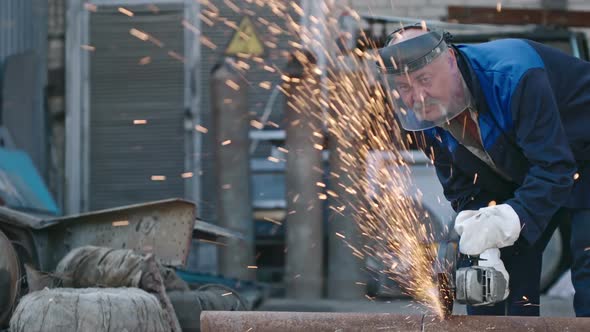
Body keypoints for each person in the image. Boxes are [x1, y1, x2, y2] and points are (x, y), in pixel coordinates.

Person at [377, 24, 590, 317]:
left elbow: (555, 168)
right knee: (485, 272)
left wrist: (511, 218)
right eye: (404, 87)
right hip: (534, 164)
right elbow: (463, 188)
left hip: (581, 151)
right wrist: (479, 226)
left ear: (450, 60)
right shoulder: (427, 116)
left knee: (588, 266)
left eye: (424, 79)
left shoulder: (514, 76)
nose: (417, 96)